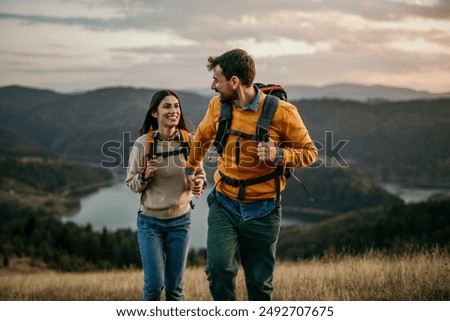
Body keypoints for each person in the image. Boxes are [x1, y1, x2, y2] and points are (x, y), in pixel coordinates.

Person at [185, 49, 318, 300]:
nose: (213, 86)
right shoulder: (217, 107)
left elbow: (309, 153)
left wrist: (279, 155)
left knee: (259, 284)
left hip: (264, 210)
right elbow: (201, 138)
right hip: (224, 203)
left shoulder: (283, 112)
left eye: (217, 79)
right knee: (219, 271)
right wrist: (191, 168)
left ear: (234, 82)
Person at [126, 89, 206, 301]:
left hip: (181, 222)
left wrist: (198, 183)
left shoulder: (190, 141)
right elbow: (132, 183)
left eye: (176, 106)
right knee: (154, 286)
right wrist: (145, 176)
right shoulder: (143, 144)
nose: (174, 111)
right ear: (155, 113)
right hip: (150, 223)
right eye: (167, 106)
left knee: (174, 289)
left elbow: (201, 175)